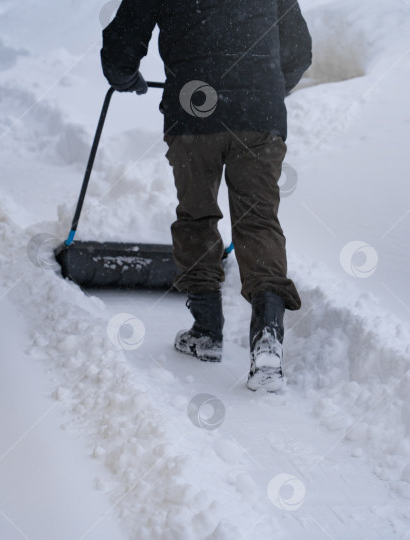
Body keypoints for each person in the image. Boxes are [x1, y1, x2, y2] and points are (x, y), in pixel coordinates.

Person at [101, 0, 312, 391]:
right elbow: (299, 50)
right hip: (260, 119)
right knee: (258, 220)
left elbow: (122, 43)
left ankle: (206, 331)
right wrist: (260, 87)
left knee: (197, 215)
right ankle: (267, 337)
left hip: (193, 115)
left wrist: (126, 77)